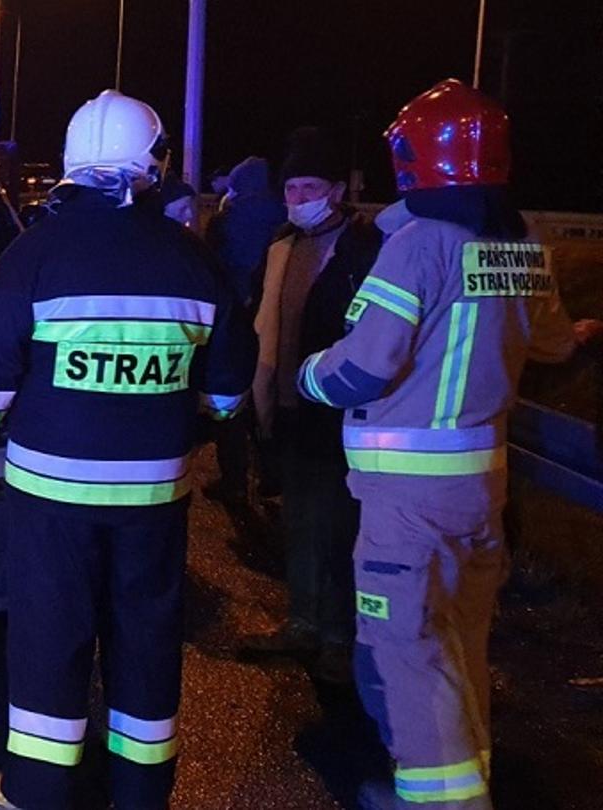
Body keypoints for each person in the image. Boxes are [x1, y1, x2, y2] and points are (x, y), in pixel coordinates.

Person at [0, 90, 254, 810]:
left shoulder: (34, 257)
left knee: (51, 636)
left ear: (73, 164)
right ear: (153, 164)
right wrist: (183, 420)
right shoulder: (192, 262)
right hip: (153, 503)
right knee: (146, 637)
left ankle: (39, 790)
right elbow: (229, 390)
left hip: (52, 500)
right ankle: (140, 795)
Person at [296, 79, 580, 809]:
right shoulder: (523, 246)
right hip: (482, 490)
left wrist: (307, 377)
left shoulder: (419, 244)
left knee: (408, 651)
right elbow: (551, 343)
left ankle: (441, 802)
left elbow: (362, 366)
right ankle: (466, 778)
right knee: (461, 642)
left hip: (407, 500)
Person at [236, 128, 382, 682]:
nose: (298, 199)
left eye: (309, 187)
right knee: (299, 520)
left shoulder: (363, 249)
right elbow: (260, 319)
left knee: (342, 527)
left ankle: (339, 638)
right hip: (291, 405)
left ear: (338, 190)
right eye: (291, 189)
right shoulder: (282, 246)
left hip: (342, 411)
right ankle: (302, 622)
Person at [204, 156, 289, 504]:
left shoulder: (226, 220)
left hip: (235, 318)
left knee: (235, 403)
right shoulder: (285, 218)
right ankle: (271, 477)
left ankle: (234, 480)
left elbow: (211, 269)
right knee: (270, 399)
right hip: (274, 318)